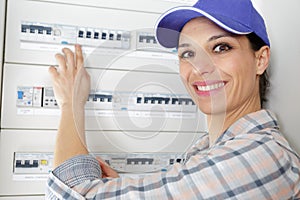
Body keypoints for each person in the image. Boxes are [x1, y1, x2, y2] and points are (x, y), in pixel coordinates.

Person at [46, 0, 300, 199]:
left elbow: (69, 193)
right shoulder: (208, 150)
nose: (200, 67)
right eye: (188, 53)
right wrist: (122, 187)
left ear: (260, 59)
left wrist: (71, 103)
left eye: (221, 47)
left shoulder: (261, 157)